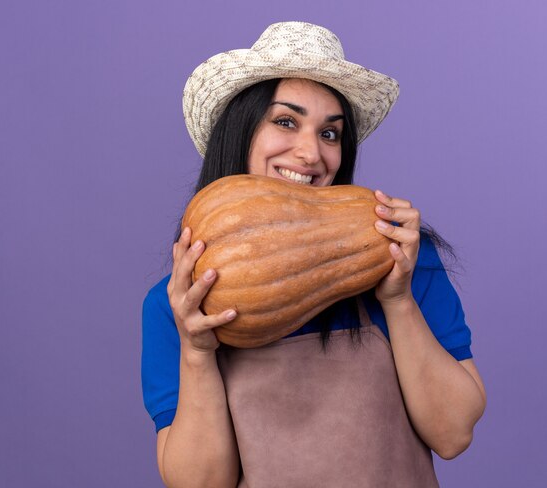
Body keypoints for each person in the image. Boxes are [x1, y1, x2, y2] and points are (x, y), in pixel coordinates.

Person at [142, 21, 486, 488]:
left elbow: (453, 434)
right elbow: (200, 484)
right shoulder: (176, 306)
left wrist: (398, 300)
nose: (310, 153)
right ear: (241, 132)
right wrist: (198, 352)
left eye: (330, 134)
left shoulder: (404, 260)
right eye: (286, 121)